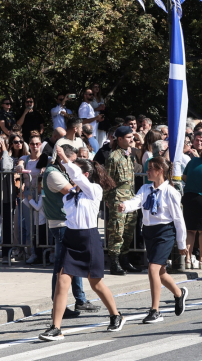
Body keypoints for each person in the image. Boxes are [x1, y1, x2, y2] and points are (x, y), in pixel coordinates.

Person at [38, 149, 125, 341]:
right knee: (62, 282)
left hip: (88, 239)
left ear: (85, 175)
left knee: (96, 283)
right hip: (71, 238)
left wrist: (64, 158)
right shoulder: (69, 195)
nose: (70, 174)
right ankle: (56, 327)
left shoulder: (94, 190)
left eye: (75, 171)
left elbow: (77, 176)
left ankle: (116, 315)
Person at [119, 157, 189, 323]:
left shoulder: (170, 192)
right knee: (160, 272)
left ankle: (155, 310)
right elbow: (136, 201)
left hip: (165, 232)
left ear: (160, 171)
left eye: (151, 168)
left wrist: (181, 243)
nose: (147, 171)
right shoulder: (145, 188)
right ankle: (179, 293)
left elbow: (178, 219)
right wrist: (125, 206)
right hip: (149, 232)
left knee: (153, 269)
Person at [105, 126, 141, 275]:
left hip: (130, 198)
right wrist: (108, 199)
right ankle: (114, 263)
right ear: (119, 139)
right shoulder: (113, 157)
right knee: (116, 232)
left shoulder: (128, 155)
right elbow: (107, 181)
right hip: (118, 198)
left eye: (132, 136)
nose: (132, 139)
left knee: (128, 232)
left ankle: (124, 260)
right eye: (128, 137)